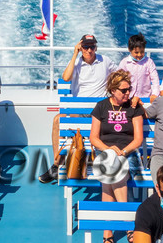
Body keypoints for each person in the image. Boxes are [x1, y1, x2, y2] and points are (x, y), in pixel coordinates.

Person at [40, 34, 114, 183]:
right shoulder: (76, 63)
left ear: (96, 47)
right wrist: (74, 55)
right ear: (81, 48)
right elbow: (66, 78)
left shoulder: (105, 61)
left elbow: (118, 75)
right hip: (79, 111)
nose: (89, 50)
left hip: (99, 113)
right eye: (85, 47)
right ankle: (56, 165)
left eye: (92, 46)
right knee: (57, 120)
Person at [90, 70, 146, 243]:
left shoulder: (134, 108)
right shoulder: (101, 107)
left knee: (108, 181)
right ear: (113, 90)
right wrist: (109, 149)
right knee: (112, 170)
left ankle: (108, 235)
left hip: (128, 153)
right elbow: (94, 138)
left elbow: (138, 139)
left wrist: (122, 152)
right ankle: (129, 223)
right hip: (106, 152)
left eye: (129, 89)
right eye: (123, 90)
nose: (127, 93)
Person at [115, 33, 160, 101]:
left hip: (145, 98)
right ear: (130, 50)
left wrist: (155, 94)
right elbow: (119, 79)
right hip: (128, 98)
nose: (139, 55)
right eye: (136, 52)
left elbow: (155, 79)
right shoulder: (124, 62)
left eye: (142, 52)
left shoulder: (149, 62)